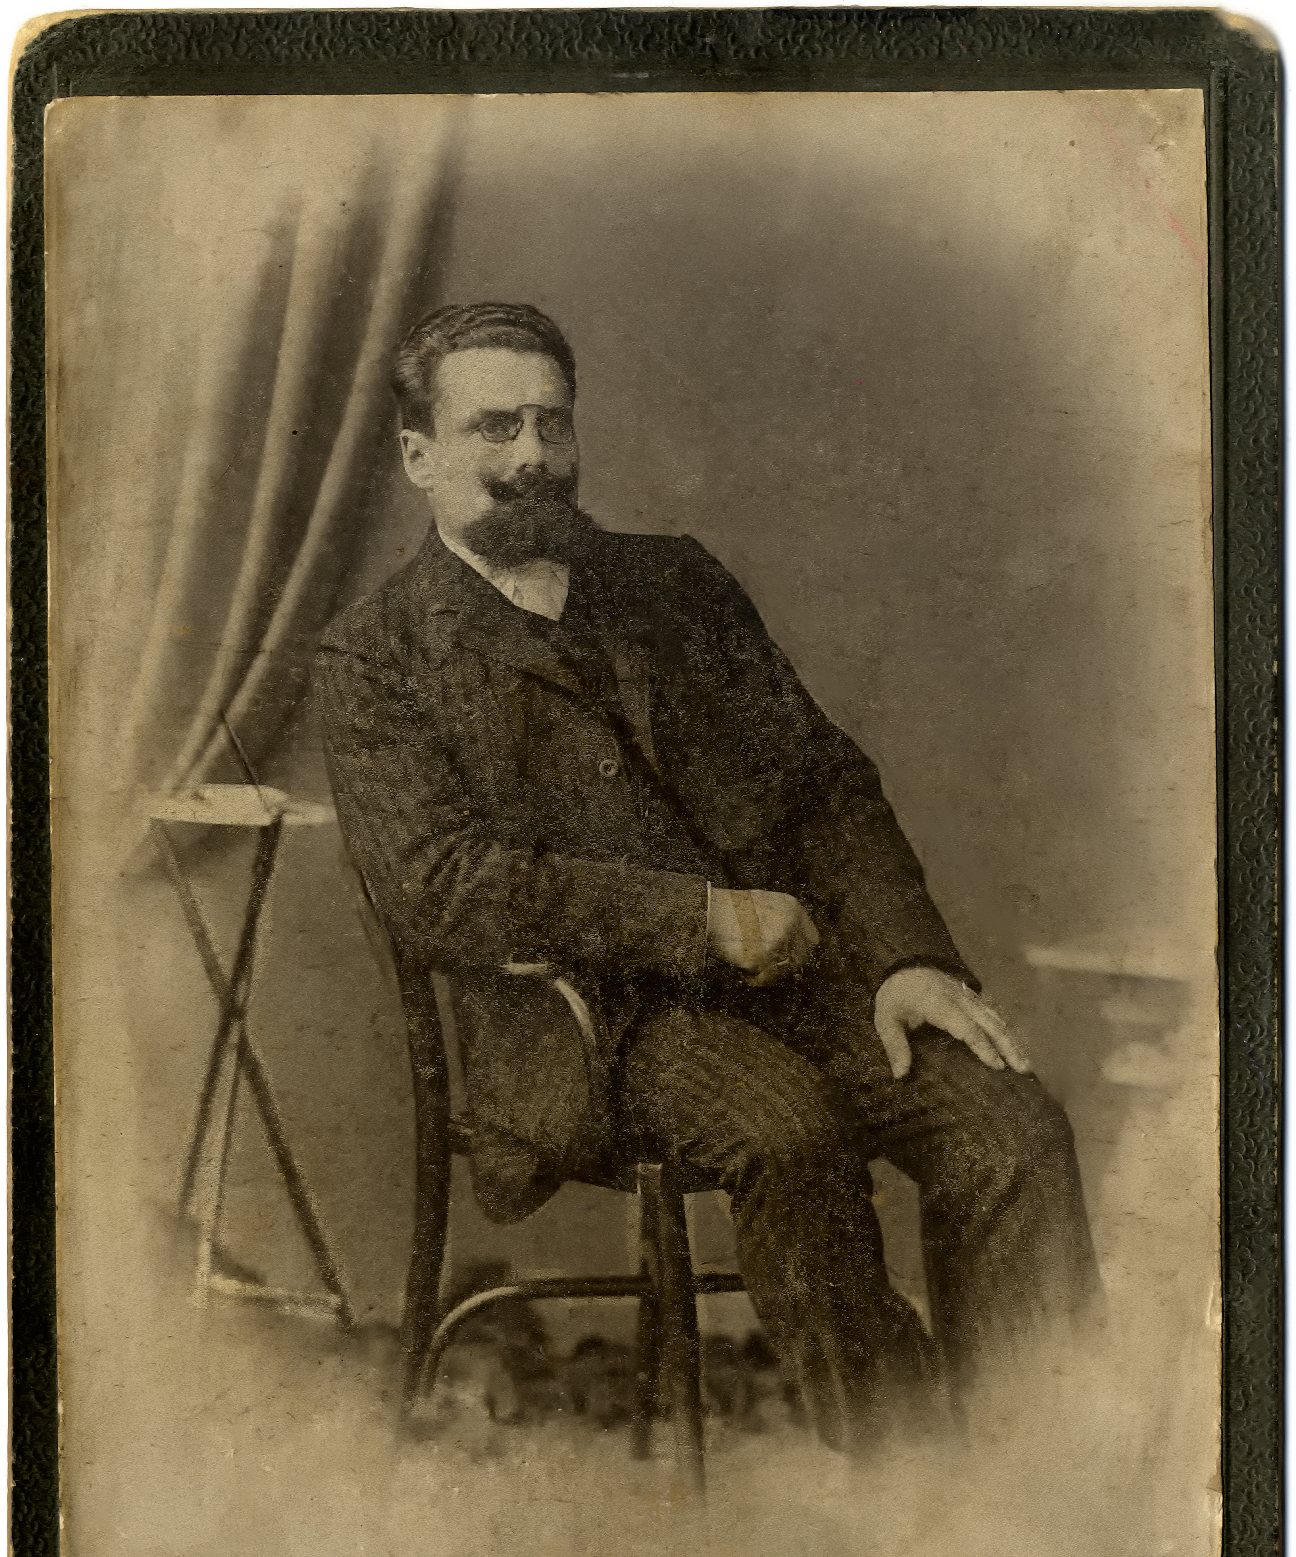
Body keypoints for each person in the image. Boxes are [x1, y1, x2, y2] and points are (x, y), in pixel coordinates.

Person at [315, 300, 1102, 1451]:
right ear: (418, 453)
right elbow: (443, 883)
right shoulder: (375, 655)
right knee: (788, 1133)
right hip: (588, 1023)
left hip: (797, 984)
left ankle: (1043, 1463)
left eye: (552, 422)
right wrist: (699, 919)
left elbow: (824, 783)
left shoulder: (674, 582)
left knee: (1011, 1125)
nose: (534, 455)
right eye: (495, 427)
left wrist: (905, 959)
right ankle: (915, 1470)